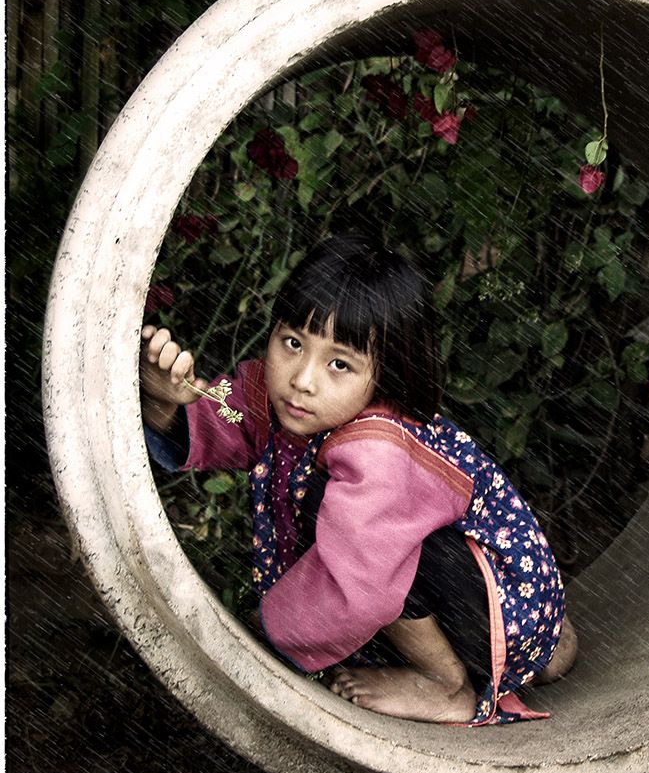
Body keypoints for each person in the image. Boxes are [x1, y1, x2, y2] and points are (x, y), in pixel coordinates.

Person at [140, 233, 577, 725]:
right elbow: (220, 422)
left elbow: (365, 584)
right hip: (479, 603)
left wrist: (277, 637)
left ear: (383, 377)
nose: (303, 379)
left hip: (494, 605)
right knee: (366, 544)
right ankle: (545, 647)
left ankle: (449, 683)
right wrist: (163, 400)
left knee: (363, 538)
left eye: (340, 364)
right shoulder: (282, 397)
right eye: (292, 343)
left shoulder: (379, 448)